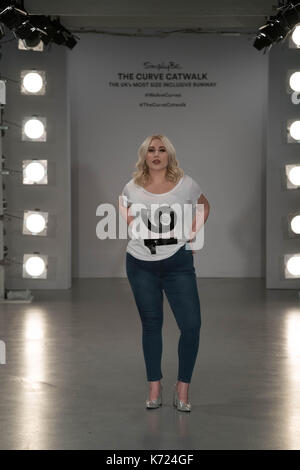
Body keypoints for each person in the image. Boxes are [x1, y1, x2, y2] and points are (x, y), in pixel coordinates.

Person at [119, 134, 210, 411]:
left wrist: (191, 235)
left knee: (191, 326)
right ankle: (154, 385)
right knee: (151, 325)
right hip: (140, 263)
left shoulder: (185, 184)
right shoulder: (133, 187)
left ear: (169, 154)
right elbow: (123, 207)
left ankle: (182, 388)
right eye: (151, 150)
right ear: (144, 156)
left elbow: (204, 205)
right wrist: (135, 226)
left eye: (161, 149)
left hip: (177, 263)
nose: (156, 154)